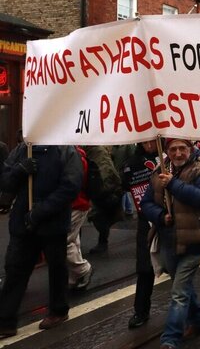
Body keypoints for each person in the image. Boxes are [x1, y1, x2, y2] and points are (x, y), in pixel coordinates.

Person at [0, 143, 83, 337]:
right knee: (15, 269)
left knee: (56, 267)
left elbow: (71, 186)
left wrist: (40, 211)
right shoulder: (21, 150)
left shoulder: (65, 150)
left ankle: (58, 310)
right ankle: (5, 320)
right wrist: (19, 171)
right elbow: (5, 182)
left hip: (52, 223)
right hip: (23, 223)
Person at [140, 138, 200, 349]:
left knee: (179, 293)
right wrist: (160, 215)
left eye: (182, 148)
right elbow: (146, 203)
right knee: (182, 285)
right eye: (173, 149)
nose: (178, 153)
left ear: (190, 148)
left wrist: (173, 184)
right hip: (169, 240)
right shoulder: (159, 170)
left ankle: (170, 339)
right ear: (167, 151)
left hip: (194, 240)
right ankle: (197, 321)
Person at [120, 140, 161, 329]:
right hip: (147, 220)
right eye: (145, 141)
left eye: (152, 140)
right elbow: (124, 185)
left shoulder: (171, 156)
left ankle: (187, 311)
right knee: (144, 267)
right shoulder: (133, 162)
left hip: (172, 218)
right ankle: (140, 310)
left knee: (178, 268)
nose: (149, 144)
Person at [86, 145, 123, 254]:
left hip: (103, 187)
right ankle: (102, 242)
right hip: (100, 186)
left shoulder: (96, 150)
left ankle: (102, 242)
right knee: (99, 214)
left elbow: (105, 168)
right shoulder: (92, 150)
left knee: (98, 215)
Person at [66, 147, 93, 291]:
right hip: (74, 203)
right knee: (73, 241)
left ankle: (83, 269)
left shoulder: (76, 157)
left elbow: (74, 183)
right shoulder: (76, 155)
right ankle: (75, 276)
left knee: (64, 241)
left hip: (77, 203)